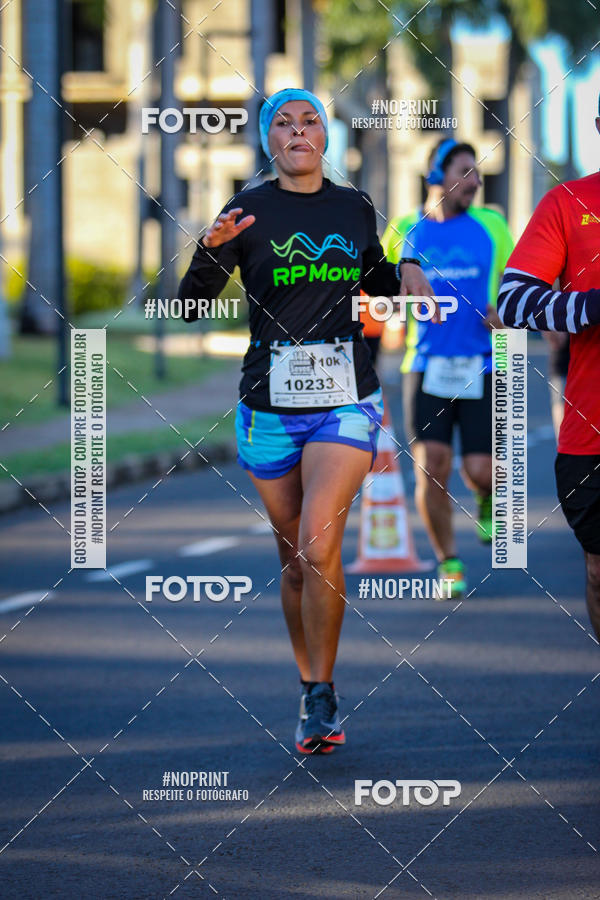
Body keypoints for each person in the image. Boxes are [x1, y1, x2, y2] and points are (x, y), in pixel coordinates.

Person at [178, 88, 433, 753]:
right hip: (268, 406)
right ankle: (306, 684)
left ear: (325, 135)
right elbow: (187, 311)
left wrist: (406, 268)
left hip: (346, 397)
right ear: (270, 142)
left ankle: (323, 693)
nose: (298, 131)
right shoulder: (247, 211)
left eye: (309, 120)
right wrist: (208, 250)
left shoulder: (353, 206)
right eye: (283, 123)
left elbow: (375, 282)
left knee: (320, 547)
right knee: (295, 562)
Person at [382, 138, 514, 599]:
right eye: (464, 171)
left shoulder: (492, 225)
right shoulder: (404, 229)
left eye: (476, 172)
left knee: (482, 469)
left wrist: (507, 311)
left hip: (482, 363)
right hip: (425, 365)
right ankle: (448, 563)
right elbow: (379, 290)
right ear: (435, 175)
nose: (475, 181)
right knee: (431, 466)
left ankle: (485, 497)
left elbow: (520, 278)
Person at [497, 98, 600, 641]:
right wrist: (589, 305)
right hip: (590, 432)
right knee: (599, 570)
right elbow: (514, 302)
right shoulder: (568, 203)